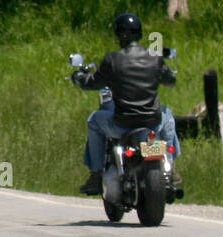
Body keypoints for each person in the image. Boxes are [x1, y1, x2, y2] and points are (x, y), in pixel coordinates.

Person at [73, 12, 182, 196]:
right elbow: (171, 80)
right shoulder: (154, 58)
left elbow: (92, 83)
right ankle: (170, 168)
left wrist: (78, 77)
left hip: (122, 125)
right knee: (168, 116)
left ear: (119, 35)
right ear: (139, 34)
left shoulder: (112, 60)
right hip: (151, 123)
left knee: (93, 120)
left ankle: (96, 174)